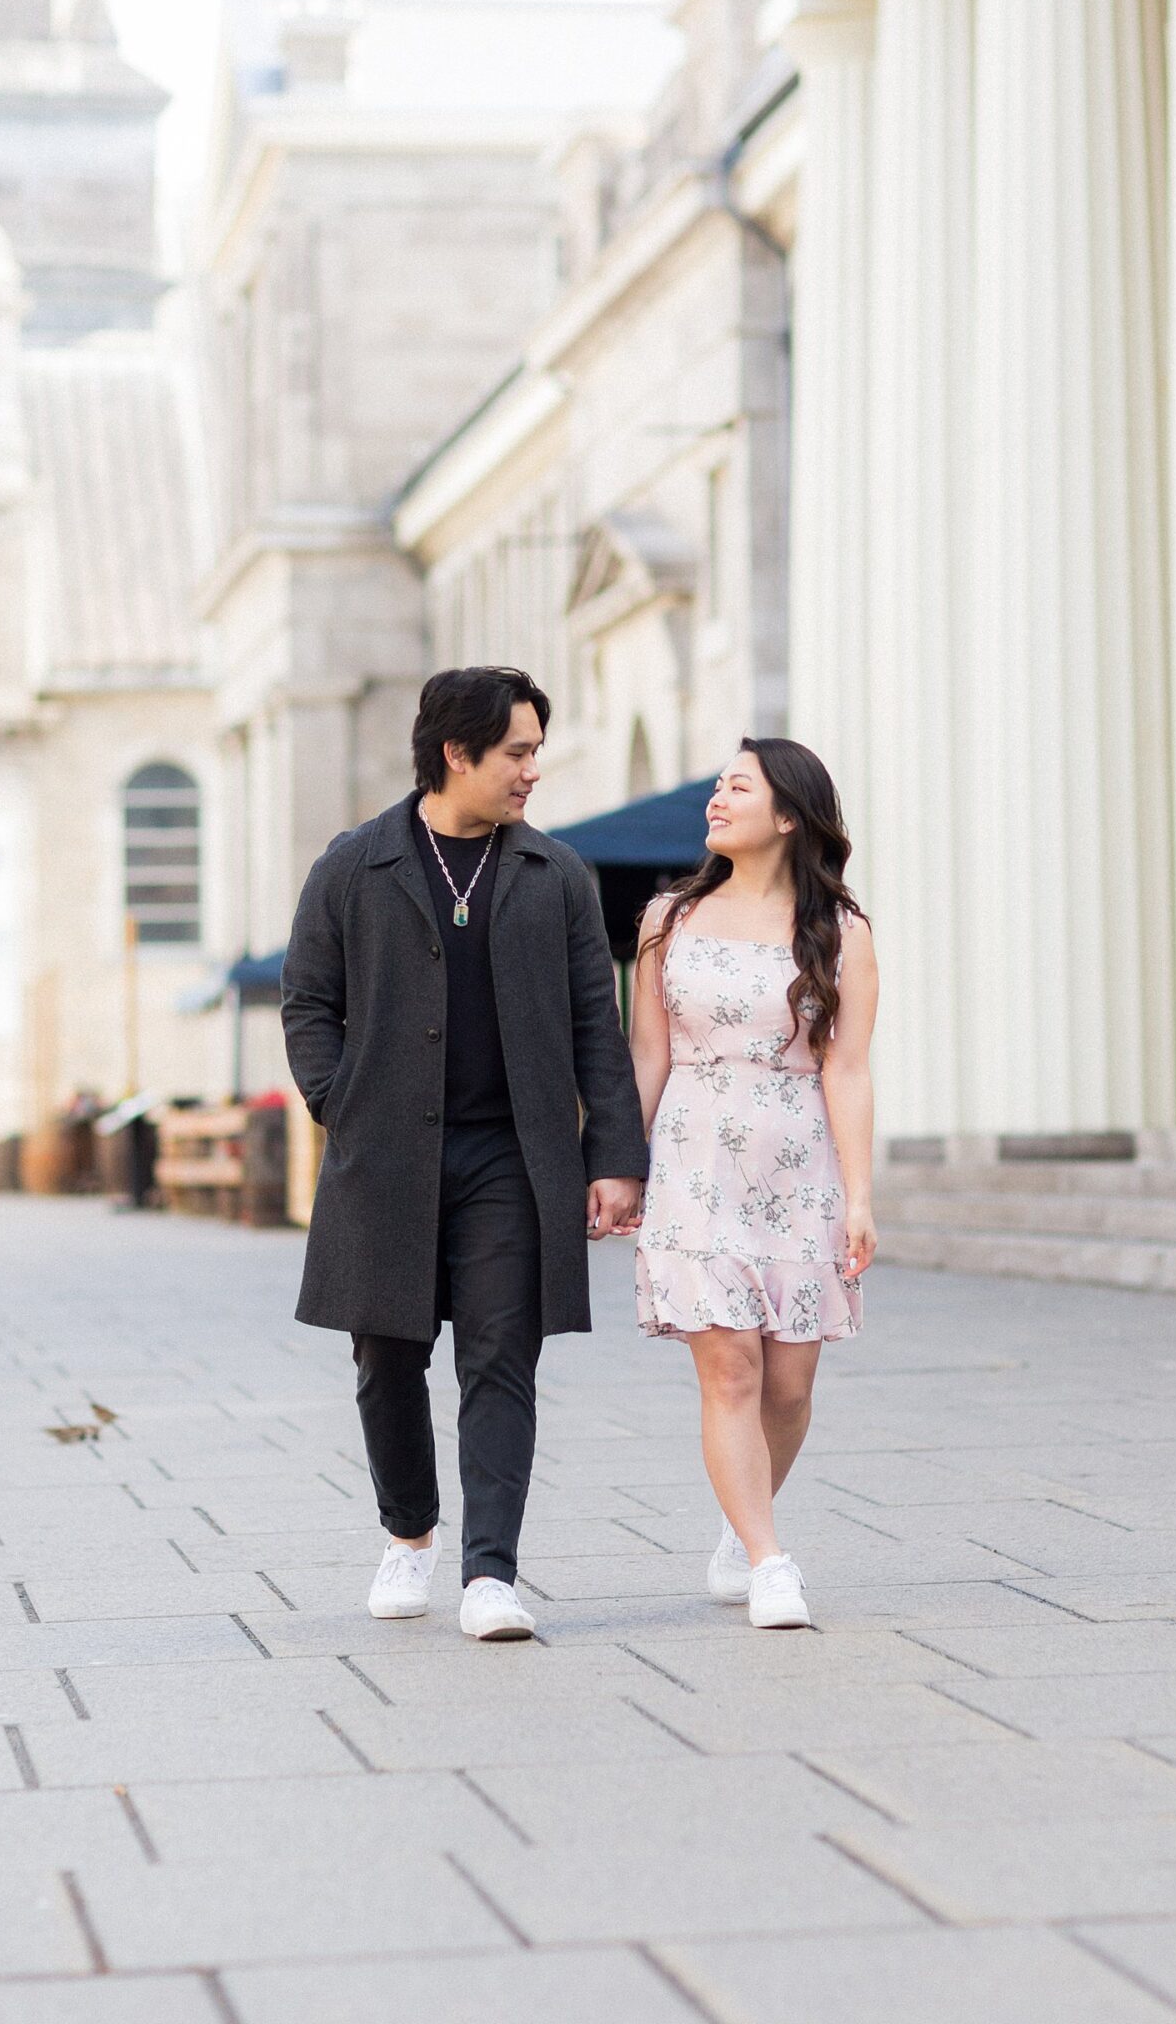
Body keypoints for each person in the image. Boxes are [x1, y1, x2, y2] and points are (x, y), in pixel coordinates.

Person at [282, 665, 647, 1641]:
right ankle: (410, 1535)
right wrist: (337, 1102)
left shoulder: (555, 875)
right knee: (385, 1357)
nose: (534, 769)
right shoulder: (353, 866)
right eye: (518, 751)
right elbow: (308, 1001)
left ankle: (492, 1573)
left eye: (536, 750)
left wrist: (616, 1156)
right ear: (456, 752)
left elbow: (593, 1024)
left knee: (501, 1356)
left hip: (512, 1161)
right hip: (386, 1157)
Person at [630, 738, 877, 1629]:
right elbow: (647, 1056)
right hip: (695, 1162)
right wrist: (619, 1165)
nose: (716, 798)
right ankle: (771, 1560)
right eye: (717, 784)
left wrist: (857, 1195)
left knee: (788, 1386)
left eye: (738, 785)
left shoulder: (841, 931)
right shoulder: (669, 918)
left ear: (786, 816)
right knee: (729, 1368)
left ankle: (743, 1527)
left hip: (799, 1165)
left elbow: (846, 1071)